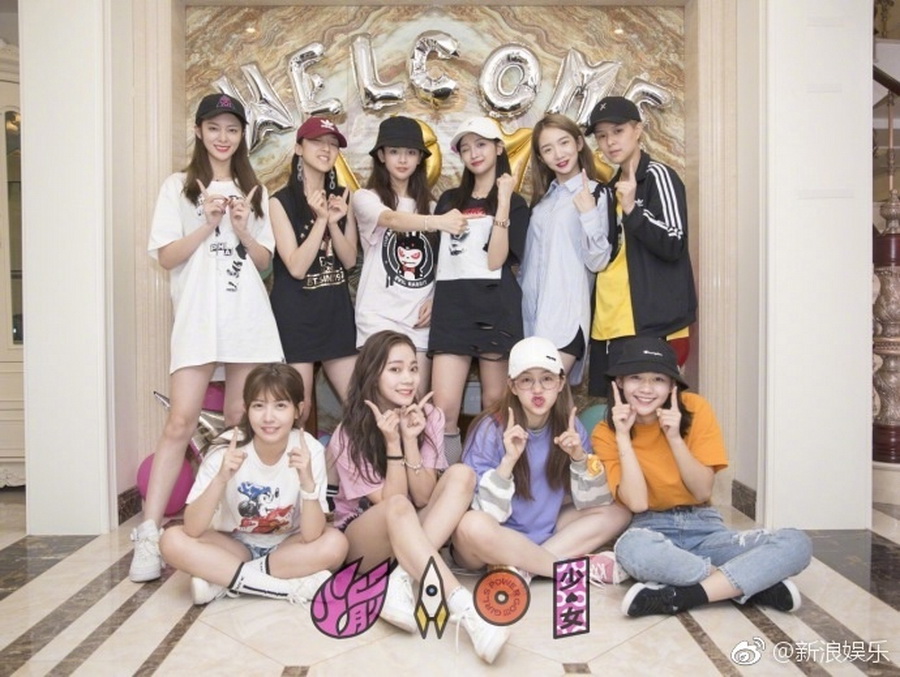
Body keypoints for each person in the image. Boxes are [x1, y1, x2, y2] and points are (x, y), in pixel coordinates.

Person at [133, 93, 284, 582]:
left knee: (240, 422)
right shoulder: (178, 186)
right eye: (214, 127)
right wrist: (207, 224)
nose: (223, 137)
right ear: (199, 131)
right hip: (199, 319)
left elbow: (265, 263)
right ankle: (149, 533)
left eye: (232, 129)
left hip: (247, 319)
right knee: (180, 421)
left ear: (242, 136)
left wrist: (241, 228)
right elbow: (166, 257)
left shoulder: (255, 189)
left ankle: (228, 528)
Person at [591, 336, 812, 617]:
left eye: (658, 379)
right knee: (632, 550)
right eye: (636, 377)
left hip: (706, 528)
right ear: (620, 382)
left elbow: (702, 491)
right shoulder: (606, 432)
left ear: (672, 385)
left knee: (796, 542)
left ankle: (685, 595)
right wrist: (623, 436)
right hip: (651, 529)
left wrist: (674, 438)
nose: (646, 389)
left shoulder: (696, 408)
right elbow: (637, 503)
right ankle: (748, 584)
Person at [327, 330, 509, 664]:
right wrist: (392, 443)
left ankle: (401, 576)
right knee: (398, 505)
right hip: (364, 539)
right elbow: (392, 503)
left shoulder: (430, 416)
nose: (409, 378)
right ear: (373, 374)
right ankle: (464, 608)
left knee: (462, 474)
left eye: (413, 368)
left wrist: (411, 439)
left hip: (411, 528)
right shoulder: (349, 432)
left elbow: (424, 496)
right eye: (395, 369)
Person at [159, 363, 348, 605]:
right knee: (171, 540)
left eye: (280, 406)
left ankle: (224, 580)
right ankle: (283, 588)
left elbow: (312, 535)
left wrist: (307, 483)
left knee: (336, 544)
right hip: (235, 544)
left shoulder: (308, 449)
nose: (269, 418)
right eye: (259, 406)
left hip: (289, 545)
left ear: (298, 410)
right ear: (247, 409)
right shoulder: (225, 448)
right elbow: (193, 528)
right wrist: (221, 478)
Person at [452, 336, 632, 585]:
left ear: (560, 383)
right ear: (512, 386)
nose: (537, 390)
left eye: (547, 379)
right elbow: (485, 513)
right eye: (527, 380)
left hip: (544, 531)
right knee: (471, 525)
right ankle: (566, 569)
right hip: (492, 539)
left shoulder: (570, 427)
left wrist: (579, 458)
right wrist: (508, 462)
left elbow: (596, 501)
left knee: (619, 511)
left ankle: (525, 569)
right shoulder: (490, 428)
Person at [429, 117, 530, 463]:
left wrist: (503, 201)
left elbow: (496, 260)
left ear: (499, 148)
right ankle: (447, 477)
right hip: (452, 309)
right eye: (466, 147)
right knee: (443, 408)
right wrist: (430, 298)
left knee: (494, 405)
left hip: (495, 308)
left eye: (482, 144)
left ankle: (491, 475)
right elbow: (440, 259)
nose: (474, 153)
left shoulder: (515, 203)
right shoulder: (448, 200)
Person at [585, 96, 697, 396]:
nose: (610, 142)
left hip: (652, 323)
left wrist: (633, 209)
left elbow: (674, 241)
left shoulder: (658, 176)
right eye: (602, 136)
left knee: (651, 413)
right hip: (609, 322)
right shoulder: (609, 189)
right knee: (614, 412)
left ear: (638, 130)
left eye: (618, 131)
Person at [351, 116, 468, 396]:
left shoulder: (432, 205)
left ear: (419, 159)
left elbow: (444, 264)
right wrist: (437, 222)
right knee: (378, 405)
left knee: (415, 403)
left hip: (419, 321)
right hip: (378, 318)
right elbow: (391, 219)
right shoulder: (366, 197)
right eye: (394, 151)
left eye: (411, 152)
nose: (402, 160)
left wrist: (436, 297)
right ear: (381, 156)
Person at [269, 117, 358, 424]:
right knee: (299, 410)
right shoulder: (280, 202)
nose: (326, 149)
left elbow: (349, 260)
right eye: (317, 142)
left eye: (333, 144)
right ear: (299, 148)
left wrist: (333, 221)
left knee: (359, 404)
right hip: (296, 317)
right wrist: (320, 220)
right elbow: (295, 266)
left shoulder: (344, 197)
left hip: (335, 312)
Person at [519, 114, 611, 384]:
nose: (558, 154)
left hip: (566, 317)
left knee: (547, 391)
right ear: (541, 157)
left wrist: (589, 213)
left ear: (579, 143)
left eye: (564, 143)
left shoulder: (596, 193)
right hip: (531, 317)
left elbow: (598, 261)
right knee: (539, 400)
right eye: (548, 149)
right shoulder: (541, 203)